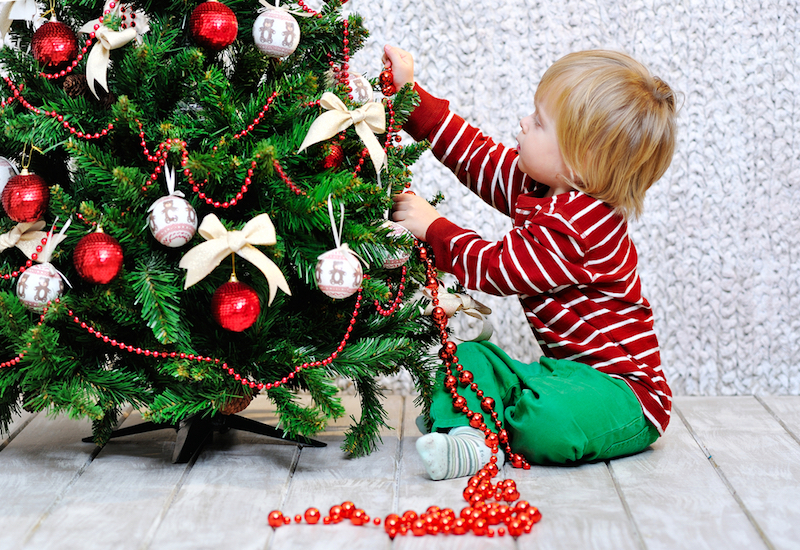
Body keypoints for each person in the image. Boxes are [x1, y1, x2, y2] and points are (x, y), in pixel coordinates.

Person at [383, 44, 677, 480]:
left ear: (583, 160)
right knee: (467, 357)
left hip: (623, 395)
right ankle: (472, 439)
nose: (523, 124)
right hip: (563, 376)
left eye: (539, 123)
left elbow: (501, 267)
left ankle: (485, 423)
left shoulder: (582, 225)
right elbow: (478, 158)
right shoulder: (546, 188)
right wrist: (412, 100)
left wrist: (433, 227)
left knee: (550, 422)